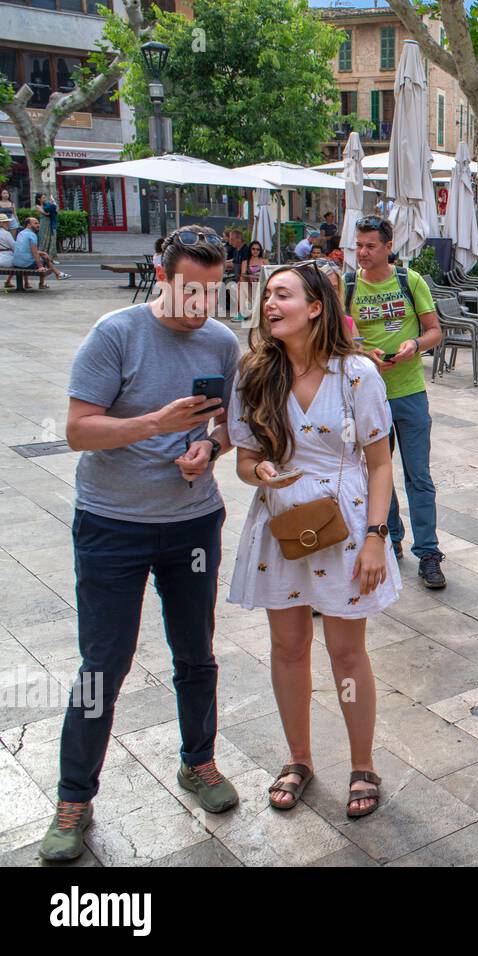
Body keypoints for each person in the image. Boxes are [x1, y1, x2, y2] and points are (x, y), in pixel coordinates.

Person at [38, 225, 242, 862]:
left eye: (213, 291)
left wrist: (207, 447)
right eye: (190, 290)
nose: (201, 305)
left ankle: (198, 761)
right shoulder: (115, 333)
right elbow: (77, 431)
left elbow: (227, 427)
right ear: (162, 274)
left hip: (191, 523)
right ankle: (75, 798)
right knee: (102, 663)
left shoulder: (222, 341)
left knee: (196, 653)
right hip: (112, 523)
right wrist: (154, 424)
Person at [227, 263, 399, 818]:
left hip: (347, 529)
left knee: (347, 652)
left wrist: (377, 537)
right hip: (281, 528)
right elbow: (246, 462)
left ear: (316, 307)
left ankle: (362, 763)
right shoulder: (256, 372)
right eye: (267, 296)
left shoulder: (356, 375)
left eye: (283, 294)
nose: (270, 304)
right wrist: (262, 475)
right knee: (288, 647)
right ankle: (298, 759)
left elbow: (379, 462)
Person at [344, 217, 447, 586]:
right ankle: (391, 539)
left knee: (419, 475)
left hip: (409, 393)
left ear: (389, 247)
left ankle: (429, 552)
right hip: (368, 398)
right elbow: (339, 339)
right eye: (359, 245)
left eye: (371, 245)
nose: (363, 252)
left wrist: (414, 345)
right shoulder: (348, 285)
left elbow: (435, 330)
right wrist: (360, 351)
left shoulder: (409, 280)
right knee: (377, 473)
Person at [12, 217, 50, 289]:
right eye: (35, 223)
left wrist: (41, 252)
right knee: (44, 259)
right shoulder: (32, 235)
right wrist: (40, 266)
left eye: (38, 223)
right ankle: (41, 284)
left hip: (16, 263)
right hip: (25, 264)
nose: (38, 225)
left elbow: (26, 250)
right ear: (28, 225)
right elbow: (34, 252)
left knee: (28, 258)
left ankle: (26, 283)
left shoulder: (20, 233)